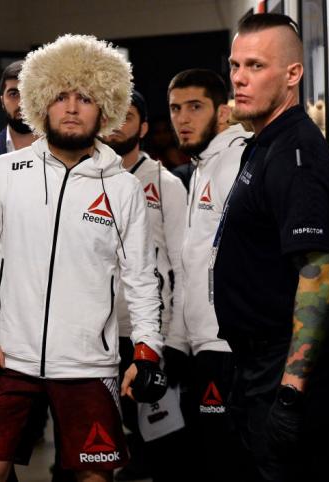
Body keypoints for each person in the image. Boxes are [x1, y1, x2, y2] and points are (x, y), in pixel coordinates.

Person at [0, 34, 166, 482]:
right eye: (60, 96)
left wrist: (148, 352)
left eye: (85, 97)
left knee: (94, 476)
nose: (72, 108)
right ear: (39, 103)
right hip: (11, 359)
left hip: (90, 365)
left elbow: (141, 279)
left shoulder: (124, 187)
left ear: (105, 107)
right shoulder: (3, 173)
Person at [214, 13, 329, 481]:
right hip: (255, 365)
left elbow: (319, 271)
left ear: (293, 74)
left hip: (284, 371)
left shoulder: (298, 155)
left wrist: (290, 394)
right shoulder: (266, 142)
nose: (239, 79)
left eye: (255, 66)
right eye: (235, 65)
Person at [167, 68, 250, 481]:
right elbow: (193, 264)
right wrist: (176, 343)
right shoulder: (202, 165)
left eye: (194, 107)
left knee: (226, 463)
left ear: (222, 112)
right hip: (203, 346)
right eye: (176, 109)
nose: (182, 118)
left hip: (227, 348)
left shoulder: (237, 161)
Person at [103, 89, 187, 482]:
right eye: (112, 115)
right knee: (107, 441)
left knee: (162, 436)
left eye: (128, 115)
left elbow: (183, 265)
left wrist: (175, 337)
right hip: (101, 333)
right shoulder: (89, 178)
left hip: (151, 333)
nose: (118, 123)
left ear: (144, 126)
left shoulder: (165, 183)